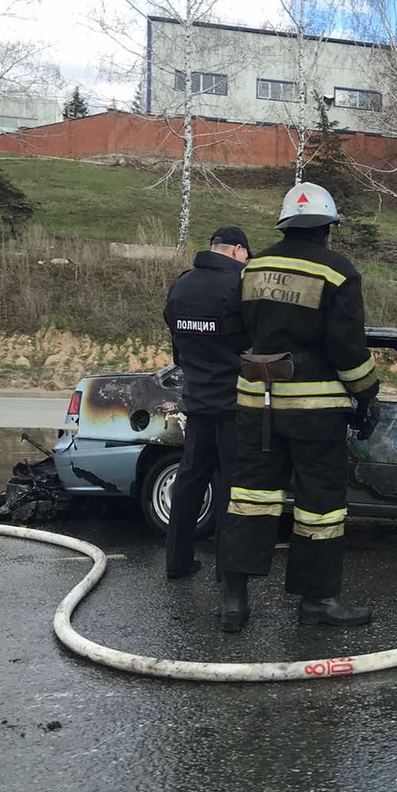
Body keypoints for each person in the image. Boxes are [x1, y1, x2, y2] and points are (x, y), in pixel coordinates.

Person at [215, 182, 379, 633]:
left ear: (285, 223)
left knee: (250, 498)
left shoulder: (254, 267)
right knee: (319, 506)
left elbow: (232, 331)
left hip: (256, 409)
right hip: (317, 413)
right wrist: (367, 395)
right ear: (328, 226)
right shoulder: (338, 273)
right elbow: (348, 347)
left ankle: (233, 600)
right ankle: (317, 602)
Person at [161, 225, 250, 578]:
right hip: (234, 403)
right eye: (246, 255)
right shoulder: (239, 284)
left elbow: (177, 344)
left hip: (196, 401)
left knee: (189, 481)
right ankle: (228, 573)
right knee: (232, 485)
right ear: (236, 251)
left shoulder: (182, 284)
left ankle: (177, 562)